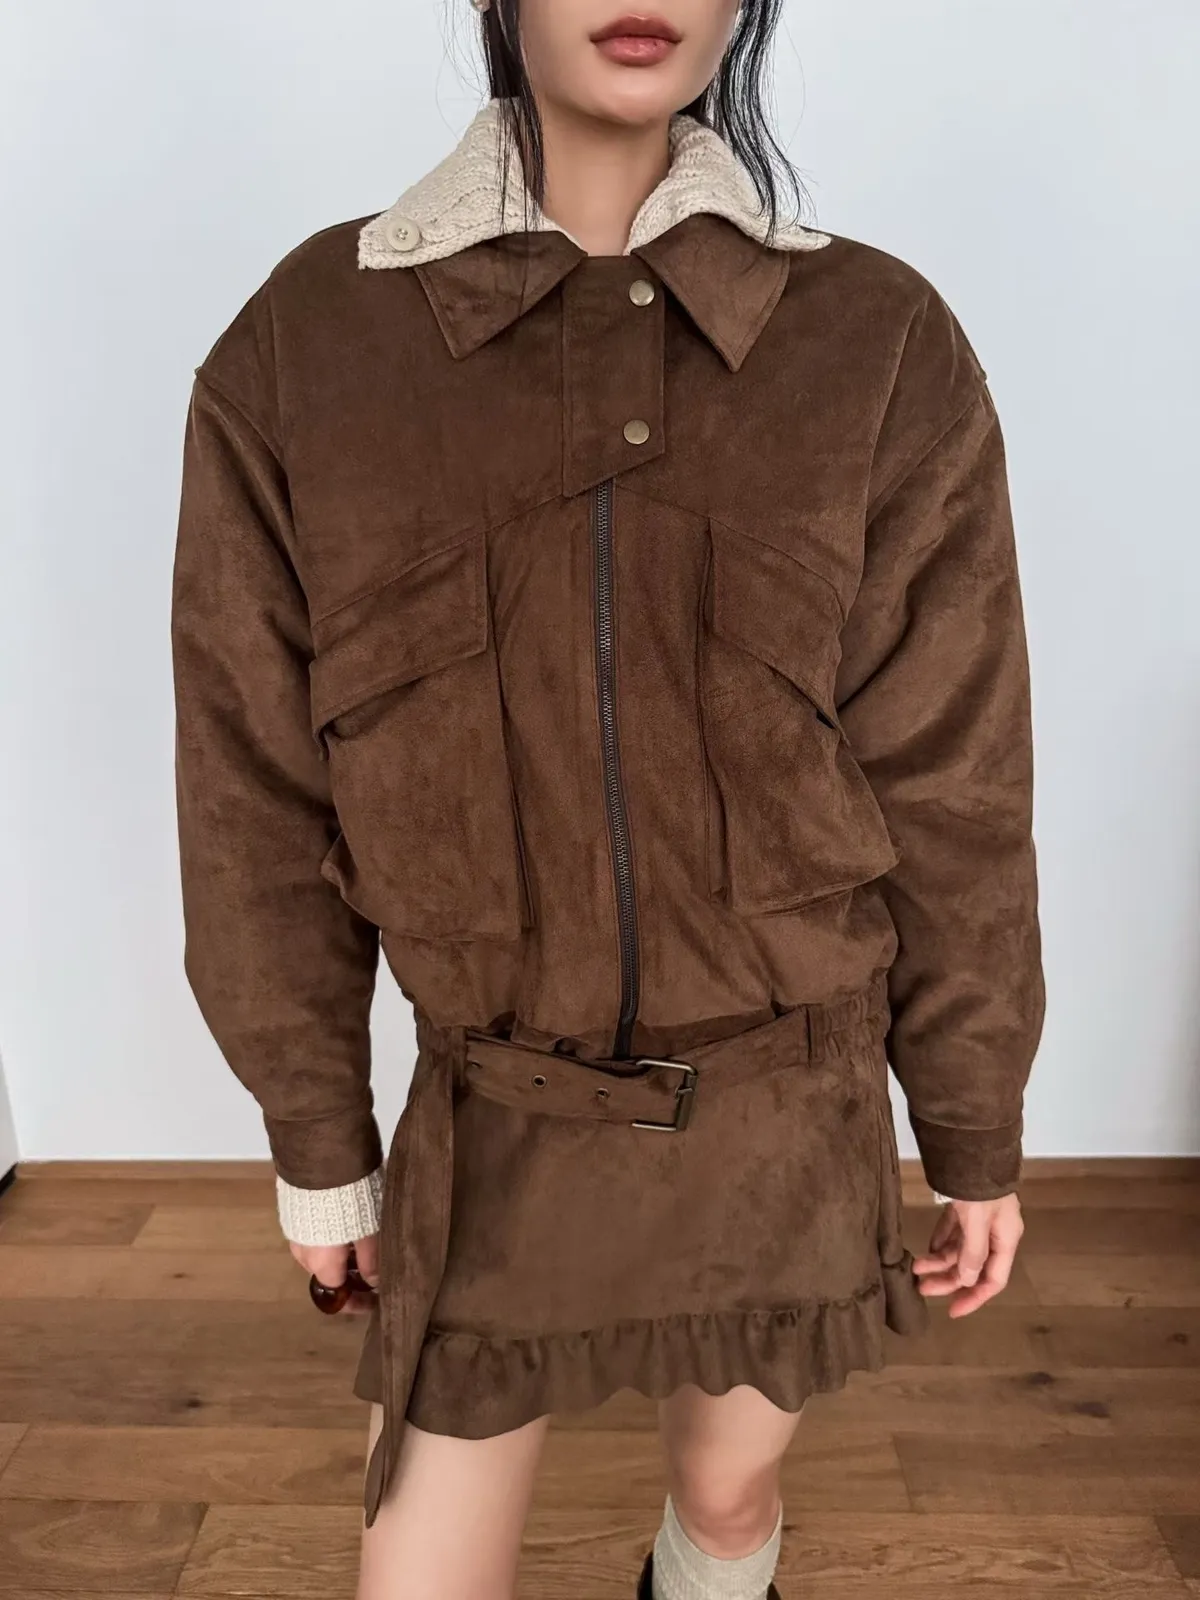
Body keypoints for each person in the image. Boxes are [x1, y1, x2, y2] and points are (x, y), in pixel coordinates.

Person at [170, 2, 1044, 1596]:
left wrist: (972, 1121)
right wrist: (318, 1136)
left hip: (786, 1116)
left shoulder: (876, 340)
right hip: (493, 1116)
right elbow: (253, 786)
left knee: (727, 1504)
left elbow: (953, 780)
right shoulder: (311, 343)